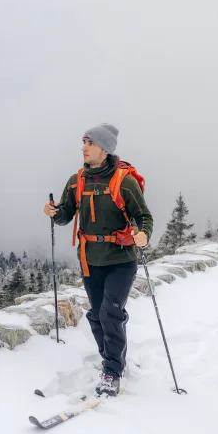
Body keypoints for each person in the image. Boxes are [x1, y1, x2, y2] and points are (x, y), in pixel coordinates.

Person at [43, 123, 153, 397]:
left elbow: (144, 217)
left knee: (110, 313)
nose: (84, 148)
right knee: (96, 315)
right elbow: (66, 214)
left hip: (121, 260)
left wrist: (144, 235)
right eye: (84, 142)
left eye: (89, 143)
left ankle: (112, 371)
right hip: (90, 260)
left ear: (104, 150)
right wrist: (53, 212)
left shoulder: (123, 182)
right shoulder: (76, 180)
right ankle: (111, 359)